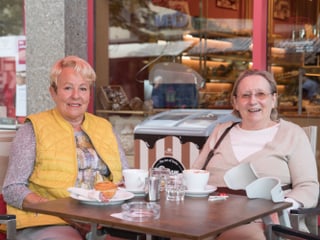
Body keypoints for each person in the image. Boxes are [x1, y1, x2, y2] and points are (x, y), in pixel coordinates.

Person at [2, 56, 130, 240]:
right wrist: (64, 213)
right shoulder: (33, 128)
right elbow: (12, 188)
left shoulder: (105, 127)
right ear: (53, 92)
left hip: (104, 220)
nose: (76, 95)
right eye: (68, 88)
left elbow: (125, 179)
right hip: (48, 220)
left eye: (83, 88)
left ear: (89, 94)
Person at [192, 69, 319, 240]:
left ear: (273, 99)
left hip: (257, 220)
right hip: (207, 215)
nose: (253, 101)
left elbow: (308, 186)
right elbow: (194, 174)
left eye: (261, 94)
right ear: (235, 102)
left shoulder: (292, 134)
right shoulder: (221, 131)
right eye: (245, 95)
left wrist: (282, 207)